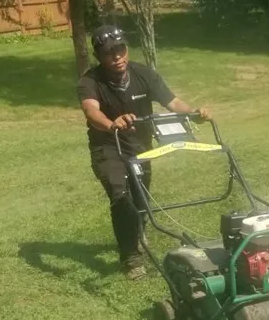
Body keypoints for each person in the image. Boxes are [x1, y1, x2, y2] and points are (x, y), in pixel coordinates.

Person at [76, 25, 210, 280]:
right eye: (109, 53)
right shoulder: (90, 81)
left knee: (141, 199)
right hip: (108, 146)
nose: (117, 56)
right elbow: (91, 111)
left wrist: (194, 113)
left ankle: (137, 231)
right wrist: (111, 123)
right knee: (120, 196)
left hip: (139, 146)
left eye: (120, 49)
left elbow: (172, 102)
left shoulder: (143, 73)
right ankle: (132, 258)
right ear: (99, 56)